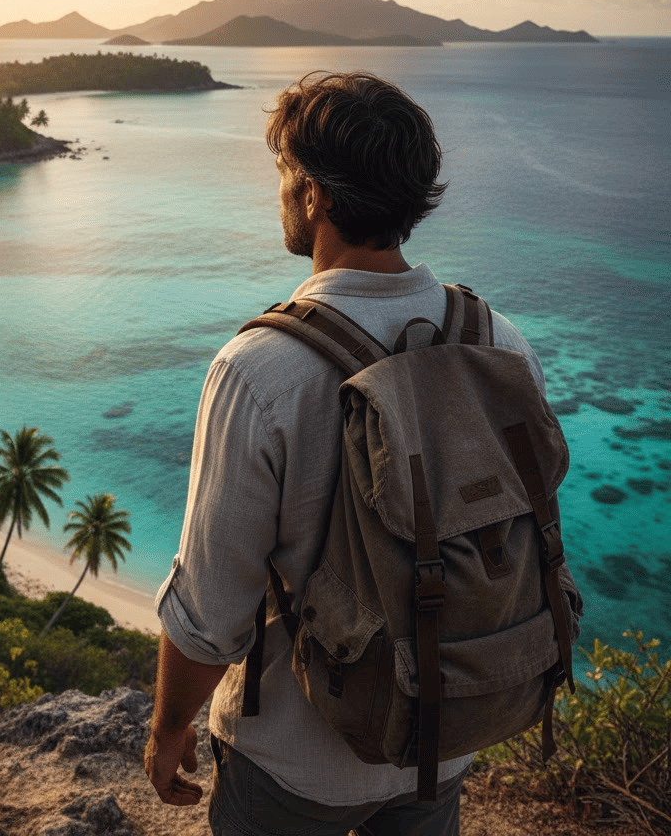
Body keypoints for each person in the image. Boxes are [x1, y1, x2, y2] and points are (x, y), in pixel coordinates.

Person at [144, 71, 549, 835]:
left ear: (312, 196)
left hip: (294, 764)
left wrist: (168, 733)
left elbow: (211, 605)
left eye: (283, 176)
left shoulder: (259, 368)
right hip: (447, 733)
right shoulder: (499, 340)